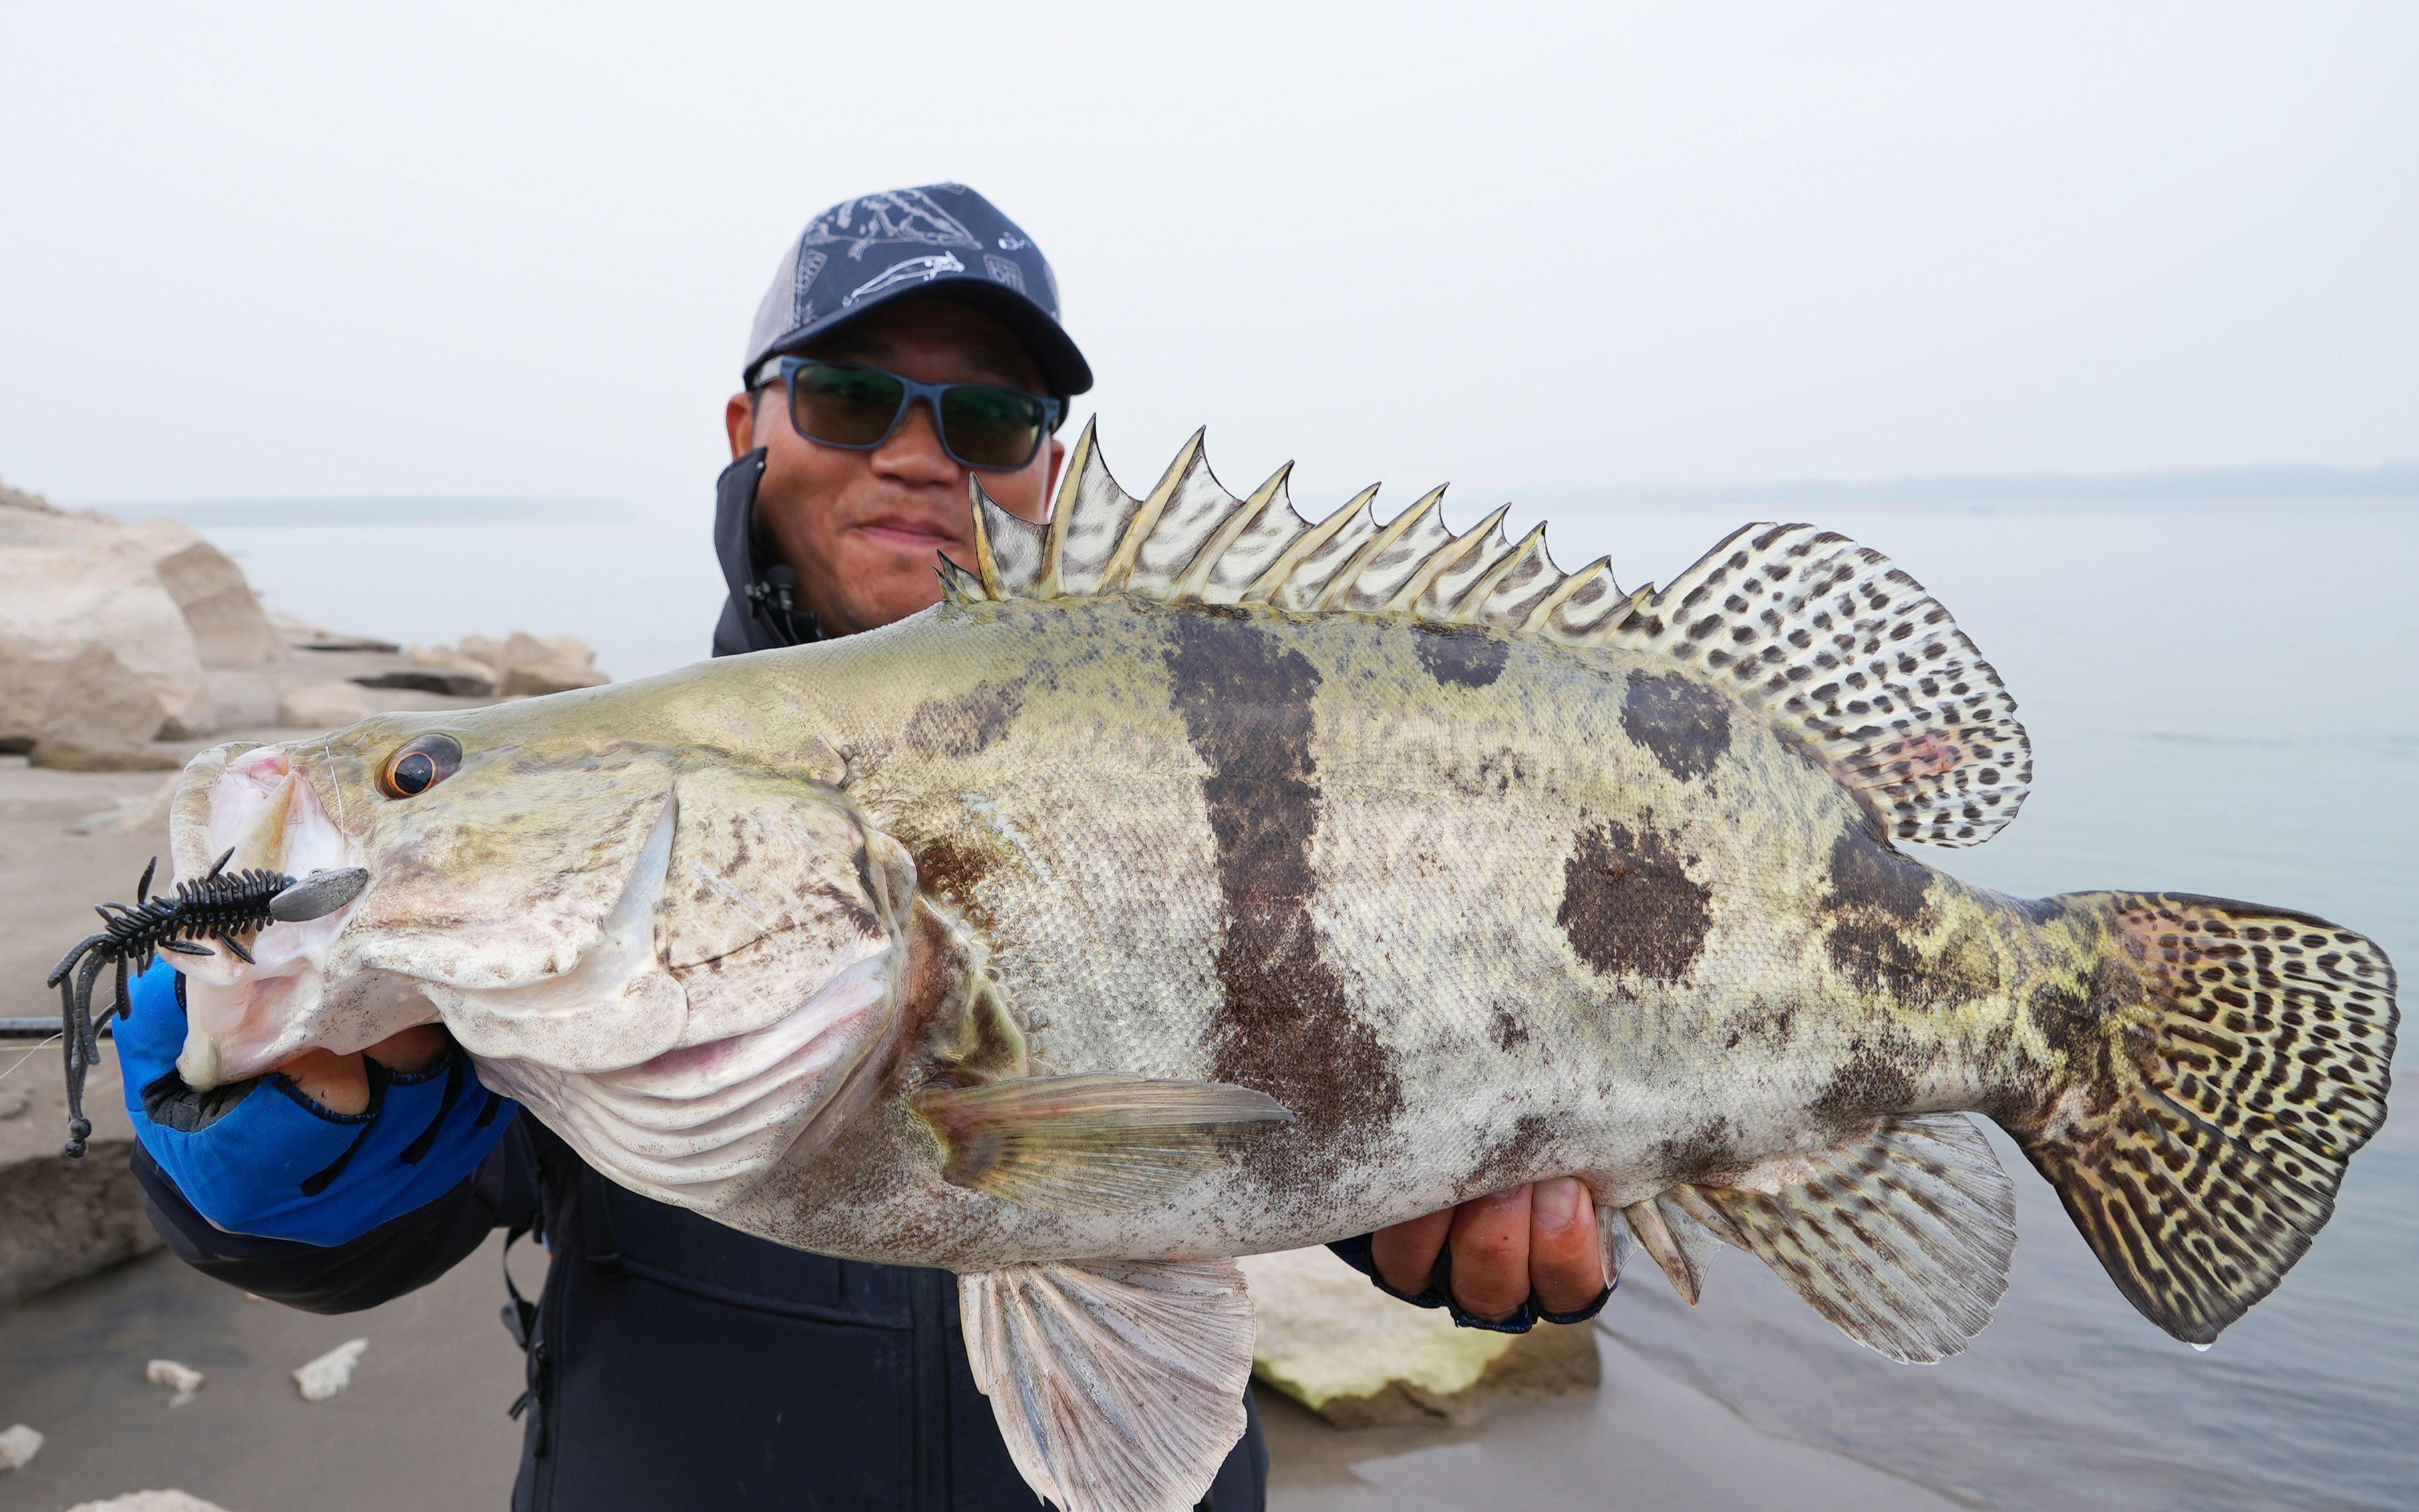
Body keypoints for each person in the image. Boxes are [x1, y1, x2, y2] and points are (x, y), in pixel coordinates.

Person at [110, 184, 1609, 1512]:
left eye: (991, 418)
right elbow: (334, 1252)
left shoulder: (1227, 739)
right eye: (845, 396)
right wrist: (283, 1142)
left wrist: (1434, 1236)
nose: (917, 454)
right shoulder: (603, 844)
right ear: (747, 425)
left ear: (1047, 465)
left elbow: (1296, 1111)